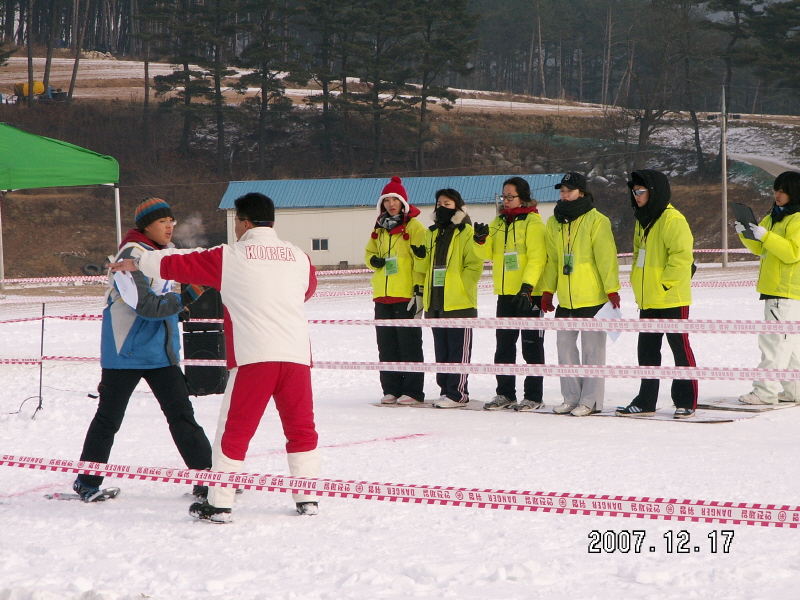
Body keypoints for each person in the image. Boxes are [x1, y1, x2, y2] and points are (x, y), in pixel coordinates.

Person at [111, 192, 320, 523]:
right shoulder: (300, 257)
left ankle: (220, 503)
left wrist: (137, 262)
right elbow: (307, 290)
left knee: (234, 431)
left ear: (245, 221)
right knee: (301, 427)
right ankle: (308, 497)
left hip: (255, 356)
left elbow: (176, 262)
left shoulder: (231, 256)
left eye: (236, 221)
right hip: (296, 355)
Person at [73, 198, 213, 502]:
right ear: (146, 225)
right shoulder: (130, 255)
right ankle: (87, 482)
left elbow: (164, 297)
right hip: (126, 353)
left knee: (182, 415)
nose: (170, 226)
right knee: (109, 418)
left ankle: (207, 479)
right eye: (163, 221)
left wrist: (181, 304)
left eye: (172, 221)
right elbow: (148, 306)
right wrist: (187, 297)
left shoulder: (162, 254)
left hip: (161, 352)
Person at [615, 170, 697, 419]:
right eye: (634, 192)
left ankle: (686, 401)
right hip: (648, 299)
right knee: (647, 353)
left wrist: (664, 284)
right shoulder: (643, 220)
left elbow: (682, 257)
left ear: (654, 192)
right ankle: (646, 400)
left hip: (671, 298)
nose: (636, 196)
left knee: (679, 349)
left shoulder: (673, 219)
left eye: (640, 191)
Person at [539, 173, 620, 417]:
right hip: (566, 298)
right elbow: (553, 260)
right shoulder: (554, 222)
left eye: (570, 190)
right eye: (562, 191)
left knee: (592, 352)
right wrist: (547, 290)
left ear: (582, 192)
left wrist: (611, 288)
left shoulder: (597, 220)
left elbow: (606, 257)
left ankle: (591, 401)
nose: (565, 195)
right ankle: (571, 397)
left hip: (593, 297)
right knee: (564, 348)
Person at [473, 177, 547, 411]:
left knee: (531, 345)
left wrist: (528, 286)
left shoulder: (534, 223)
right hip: (505, 293)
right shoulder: (499, 221)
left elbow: (537, 258)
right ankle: (505, 393)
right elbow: (487, 253)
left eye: (510, 197)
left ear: (522, 197)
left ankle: (533, 395)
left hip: (528, 293)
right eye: (503, 196)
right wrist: (480, 239)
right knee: (504, 346)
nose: (505, 201)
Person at [736, 171, 800, 405]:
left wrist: (767, 236)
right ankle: (795, 390)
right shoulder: (773, 216)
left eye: (782, 191)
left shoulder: (797, 219)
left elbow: (793, 252)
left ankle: (764, 392)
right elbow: (759, 248)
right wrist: (745, 233)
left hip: (785, 290)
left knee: (775, 343)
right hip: (775, 289)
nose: (777, 194)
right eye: (776, 190)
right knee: (789, 344)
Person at [416, 189, 483, 408]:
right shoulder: (432, 232)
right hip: (435, 300)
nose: (443, 207)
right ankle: (445, 390)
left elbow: (474, 265)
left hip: (459, 301)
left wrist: (462, 285)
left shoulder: (466, 231)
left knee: (458, 350)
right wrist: (419, 258)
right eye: (439, 203)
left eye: (448, 203)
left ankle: (458, 393)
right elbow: (425, 267)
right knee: (441, 350)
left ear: (457, 206)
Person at [364, 176, 426, 405]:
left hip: (405, 295)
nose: (391, 204)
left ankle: (413, 391)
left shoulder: (415, 227)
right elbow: (368, 253)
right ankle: (391, 389)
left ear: (403, 203)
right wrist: (374, 261)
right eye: (387, 200)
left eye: (395, 200)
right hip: (382, 295)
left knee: (408, 345)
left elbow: (421, 261)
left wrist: (418, 292)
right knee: (386, 345)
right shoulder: (379, 228)